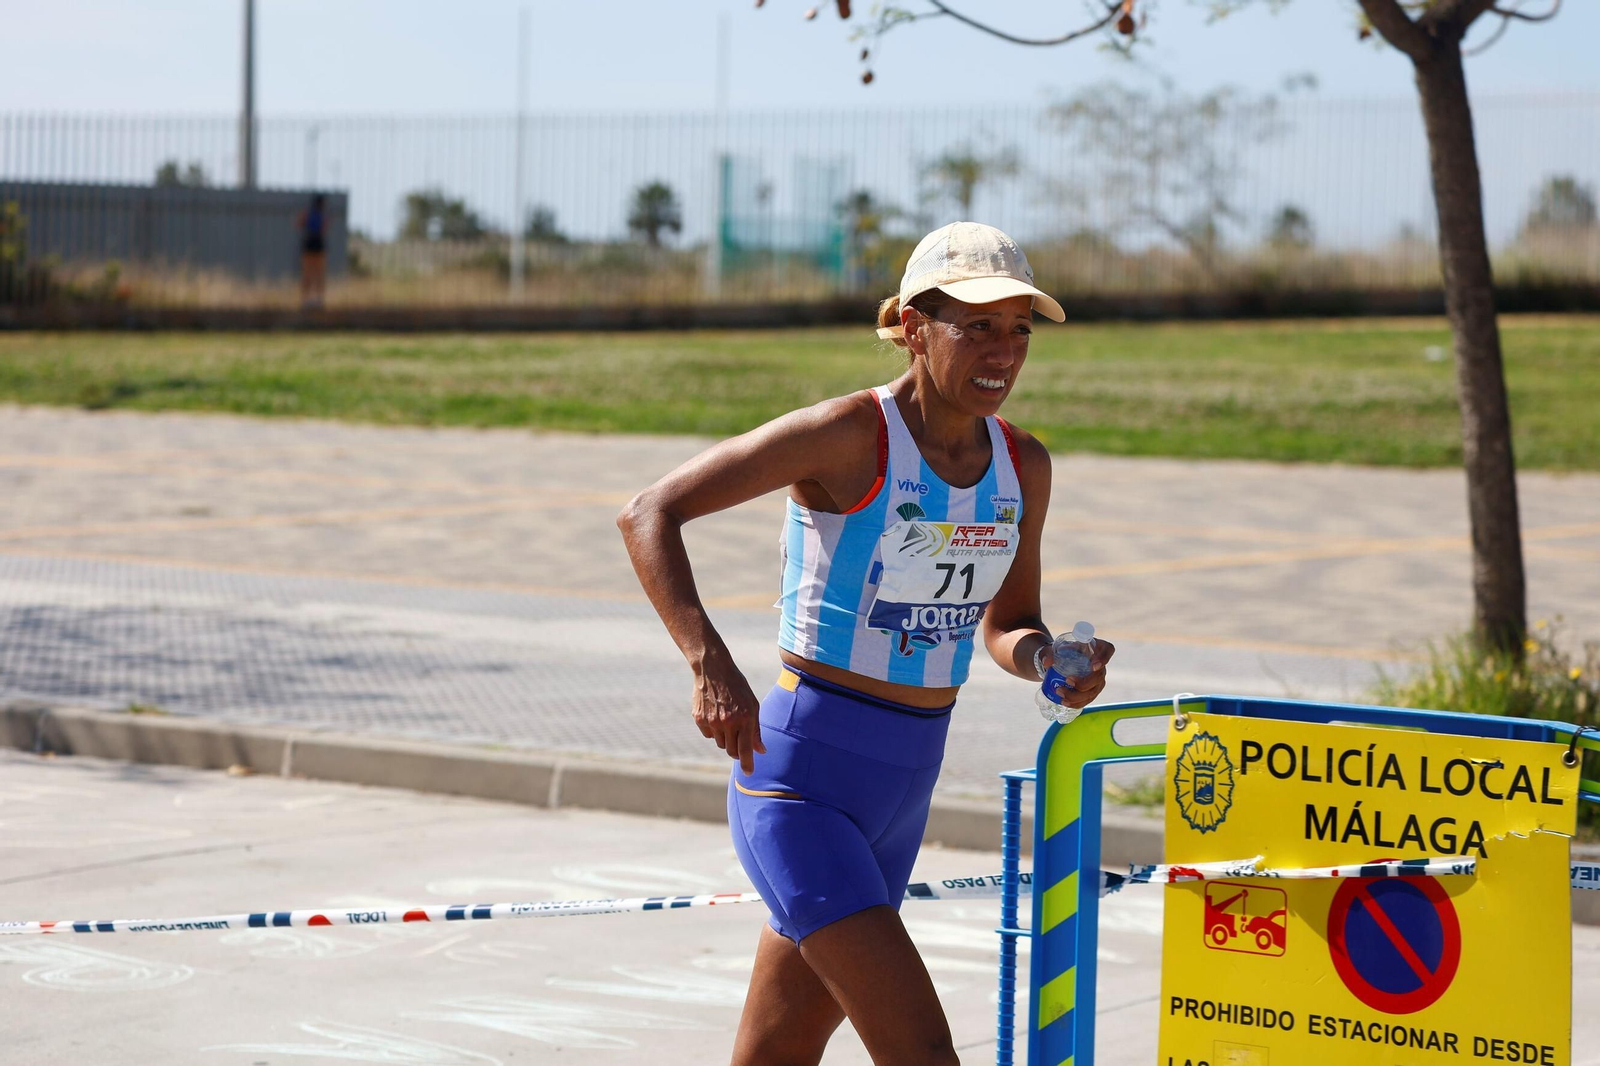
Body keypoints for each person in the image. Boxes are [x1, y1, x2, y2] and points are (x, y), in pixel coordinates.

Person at [617, 221, 1114, 1066]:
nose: (1006, 350)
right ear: (914, 327)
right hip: (801, 790)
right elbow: (649, 513)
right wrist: (713, 667)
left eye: (1020, 329)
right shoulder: (850, 434)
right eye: (979, 326)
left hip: (903, 794)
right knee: (921, 1052)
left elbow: (1007, 623)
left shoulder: (1022, 463)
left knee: (776, 1056)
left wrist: (1050, 662)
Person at [297, 193, 328, 310]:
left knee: (308, 274)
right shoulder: (321, 215)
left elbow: (299, 225)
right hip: (317, 246)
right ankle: (317, 299)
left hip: (309, 246)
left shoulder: (308, 213)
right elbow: (324, 229)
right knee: (317, 274)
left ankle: (307, 300)